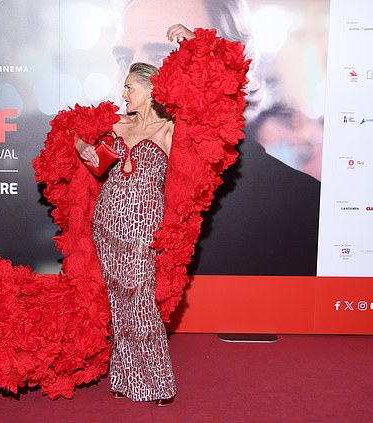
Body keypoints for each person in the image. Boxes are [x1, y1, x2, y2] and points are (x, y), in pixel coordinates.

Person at [113, 0, 320, 276]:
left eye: (163, 55)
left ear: (228, 69)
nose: (133, 79)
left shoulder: (301, 211)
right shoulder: (95, 196)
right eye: (125, 60)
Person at [73, 24, 200, 407]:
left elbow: (205, 100)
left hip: (144, 227)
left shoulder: (169, 127)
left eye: (130, 87)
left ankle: (158, 383)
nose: (123, 93)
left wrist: (190, 42)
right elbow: (75, 134)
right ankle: (126, 376)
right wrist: (84, 148)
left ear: (150, 89)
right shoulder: (118, 125)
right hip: (107, 221)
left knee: (141, 300)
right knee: (118, 303)